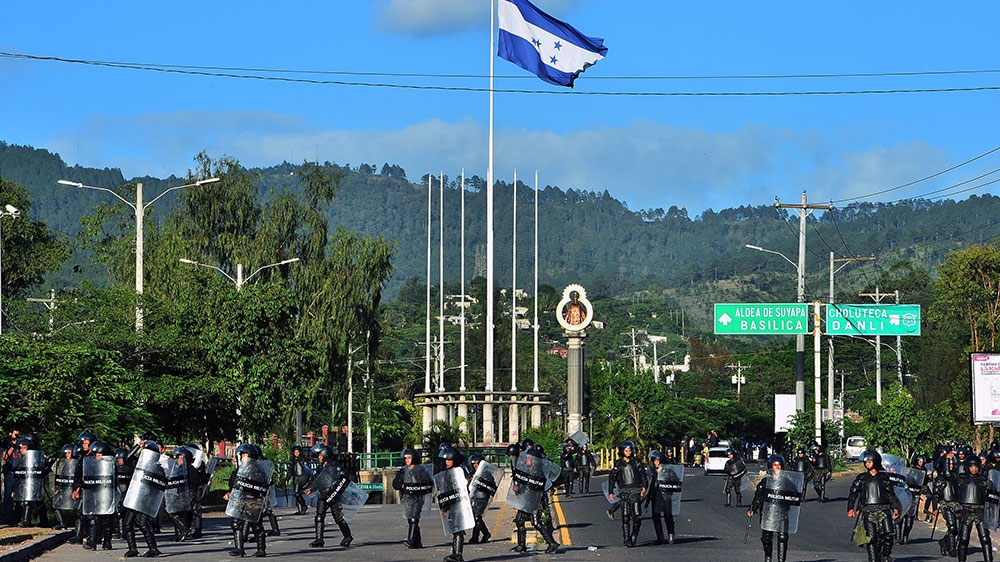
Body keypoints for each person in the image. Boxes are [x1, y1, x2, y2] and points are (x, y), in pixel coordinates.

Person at [847, 450, 902, 562]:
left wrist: (895, 508)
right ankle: (873, 559)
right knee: (871, 538)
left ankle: (885, 555)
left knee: (888, 534)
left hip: (884, 510)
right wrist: (851, 508)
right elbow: (853, 494)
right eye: (866, 462)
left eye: (869, 462)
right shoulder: (861, 478)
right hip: (868, 511)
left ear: (876, 462)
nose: (867, 464)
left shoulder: (884, 478)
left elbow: (890, 495)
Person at [747, 454, 802, 562]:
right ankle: (768, 557)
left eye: (779, 465)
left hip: (783, 514)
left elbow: (794, 496)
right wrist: (753, 508)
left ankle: (781, 560)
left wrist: (793, 499)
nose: (777, 467)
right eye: (775, 465)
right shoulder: (765, 482)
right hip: (768, 515)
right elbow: (758, 497)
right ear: (771, 466)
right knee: (766, 538)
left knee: (782, 537)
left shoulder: (787, 482)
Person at [306, 444, 354, 549]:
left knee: (338, 517)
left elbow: (343, 478)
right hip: (322, 495)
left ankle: (348, 536)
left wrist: (332, 487)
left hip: (333, 495)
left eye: (320, 455)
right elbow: (317, 480)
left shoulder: (335, 466)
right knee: (319, 515)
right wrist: (311, 488)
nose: (318, 457)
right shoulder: (320, 467)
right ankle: (319, 539)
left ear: (325, 454)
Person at [607, 440, 647, 548]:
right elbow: (612, 478)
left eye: (629, 450)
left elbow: (643, 475)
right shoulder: (619, 463)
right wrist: (610, 491)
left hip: (636, 491)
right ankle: (626, 539)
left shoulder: (637, 462)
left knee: (637, 516)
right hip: (624, 492)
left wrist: (644, 487)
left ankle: (634, 535)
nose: (628, 452)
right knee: (625, 517)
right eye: (626, 450)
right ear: (622, 451)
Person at [955, 455, 994, 562]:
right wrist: (947, 459)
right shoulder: (961, 478)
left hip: (980, 510)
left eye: (976, 466)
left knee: (985, 539)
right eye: (971, 467)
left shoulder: (983, 480)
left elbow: (992, 492)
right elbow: (948, 475)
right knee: (963, 539)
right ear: (967, 467)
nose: (974, 469)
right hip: (966, 510)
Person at [392, 447, 433, 549]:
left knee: (414, 519)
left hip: (418, 498)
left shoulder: (420, 470)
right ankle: (417, 542)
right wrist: (400, 485)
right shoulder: (403, 471)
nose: (407, 460)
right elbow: (395, 483)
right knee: (410, 519)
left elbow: (429, 482)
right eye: (406, 458)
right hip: (407, 498)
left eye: (409, 458)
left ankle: (411, 540)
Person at [645, 450, 681, 545]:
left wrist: (670, 492)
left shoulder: (668, 472)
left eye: (658, 461)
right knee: (656, 517)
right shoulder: (651, 473)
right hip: (655, 497)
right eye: (654, 461)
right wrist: (647, 499)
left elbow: (676, 483)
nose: (656, 463)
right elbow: (649, 486)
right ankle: (660, 537)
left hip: (666, 497)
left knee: (668, 516)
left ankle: (670, 533)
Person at [935, 450, 962, 556]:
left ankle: (944, 542)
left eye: (952, 464)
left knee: (958, 529)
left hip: (956, 504)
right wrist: (946, 458)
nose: (951, 466)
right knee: (952, 527)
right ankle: (952, 549)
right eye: (949, 464)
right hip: (946, 504)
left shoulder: (955, 477)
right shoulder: (941, 477)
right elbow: (936, 494)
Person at [467, 454, 498, 544]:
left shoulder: (486, 474)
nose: (475, 466)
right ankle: (486, 533)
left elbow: (492, 485)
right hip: (473, 497)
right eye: (474, 464)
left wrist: (480, 483)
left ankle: (475, 537)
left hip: (482, 497)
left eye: (477, 463)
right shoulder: (471, 474)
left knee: (477, 517)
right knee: (476, 517)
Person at [288, 445, 313, 516]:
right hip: (296, 478)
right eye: (295, 452)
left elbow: (308, 469)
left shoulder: (303, 459)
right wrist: (287, 478)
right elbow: (290, 470)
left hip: (301, 478)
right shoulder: (292, 460)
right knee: (297, 493)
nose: (296, 453)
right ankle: (301, 508)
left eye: (297, 452)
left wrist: (308, 478)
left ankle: (303, 506)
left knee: (297, 493)